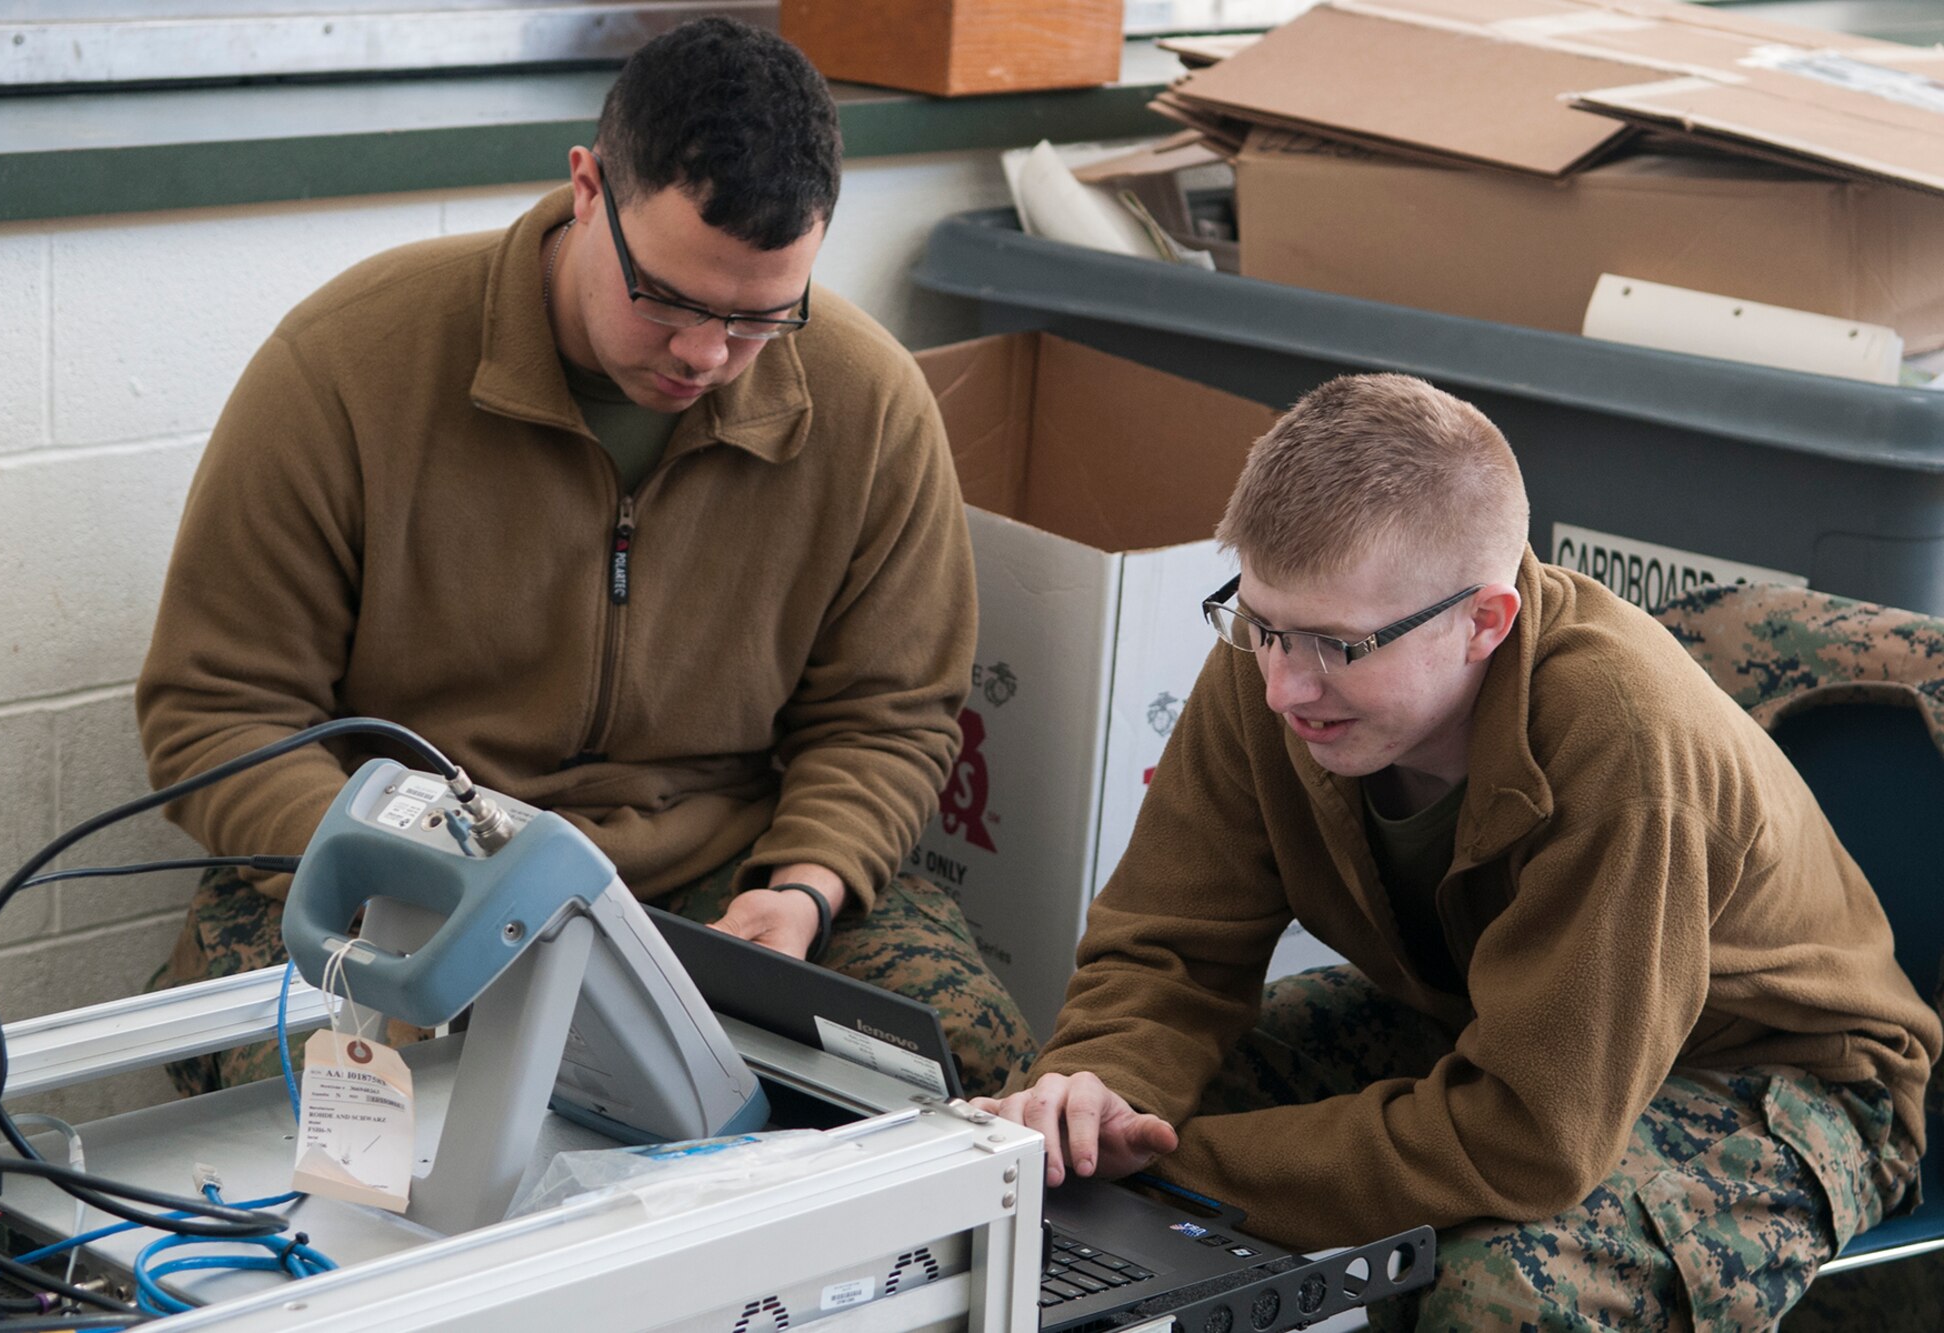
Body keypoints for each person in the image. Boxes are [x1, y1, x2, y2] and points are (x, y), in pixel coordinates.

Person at [137, 17, 1032, 1097]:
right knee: (335, 1107)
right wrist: (409, 874)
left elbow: (887, 716)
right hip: (405, 874)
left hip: (714, 880)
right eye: (669, 299)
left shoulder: (869, 403)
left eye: (760, 317)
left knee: (971, 1073)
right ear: (588, 188)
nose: (706, 355)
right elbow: (218, 714)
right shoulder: (346, 366)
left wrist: (803, 888)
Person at [976, 373, 1940, 1329]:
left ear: (1485, 621)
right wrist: (1104, 1086)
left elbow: (1529, 1139)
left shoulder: (1622, 740)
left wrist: (1179, 1172)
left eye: (1335, 646)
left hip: (1776, 1077)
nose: (1283, 688)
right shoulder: (1279, 665)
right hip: (1496, 1017)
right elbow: (1171, 948)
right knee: (1066, 1143)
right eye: (1261, 625)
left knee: (1500, 1294)